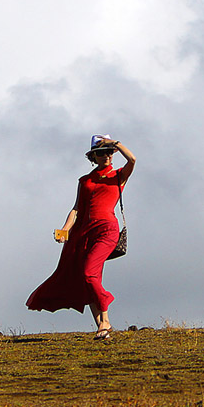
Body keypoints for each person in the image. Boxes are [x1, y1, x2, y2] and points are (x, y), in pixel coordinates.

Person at [26, 135, 137, 340]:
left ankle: (105, 312)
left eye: (109, 152)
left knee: (88, 273)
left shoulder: (118, 175)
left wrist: (116, 144)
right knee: (89, 277)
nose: (106, 156)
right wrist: (65, 229)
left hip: (107, 230)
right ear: (93, 157)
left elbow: (132, 160)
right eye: (101, 153)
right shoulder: (85, 180)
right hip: (85, 232)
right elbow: (77, 208)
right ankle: (103, 325)